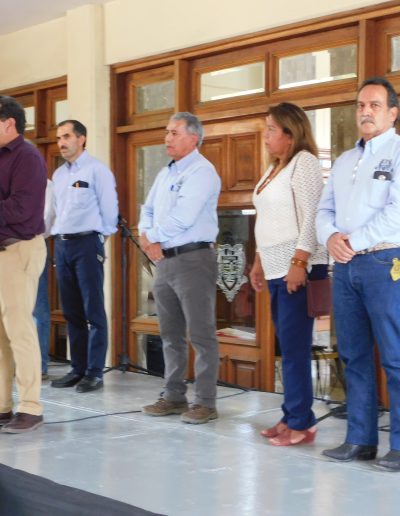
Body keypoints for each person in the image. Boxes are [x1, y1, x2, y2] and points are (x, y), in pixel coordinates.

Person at [316, 76, 400, 471]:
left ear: (393, 113)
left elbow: (397, 213)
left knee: (396, 358)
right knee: (354, 355)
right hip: (346, 267)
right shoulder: (345, 160)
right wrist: (331, 237)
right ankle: (360, 440)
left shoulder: (397, 152)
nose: (366, 112)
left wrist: (353, 241)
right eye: (361, 105)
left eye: (375, 105)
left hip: (385, 263)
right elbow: (324, 209)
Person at [250, 102, 327, 446]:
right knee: (287, 345)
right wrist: (257, 261)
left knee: (295, 348)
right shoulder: (274, 168)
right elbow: (267, 219)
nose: (265, 135)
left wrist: (299, 263)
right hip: (275, 266)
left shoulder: (304, 162)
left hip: (298, 267)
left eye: (271, 129)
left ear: (290, 133)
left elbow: (313, 216)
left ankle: (302, 423)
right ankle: (291, 414)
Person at [139, 112, 221, 424]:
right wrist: (146, 236)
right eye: (167, 132)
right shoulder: (166, 173)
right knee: (170, 334)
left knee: (201, 333)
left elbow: (183, 217)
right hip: (165, 260)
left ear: (193, 138)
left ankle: (205, 402)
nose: (167, 138)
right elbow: (147, 209)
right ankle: (174, 396)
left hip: (193, 259)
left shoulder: (202, 172)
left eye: (174, 133)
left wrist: (153, 238)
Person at [50, 120, 118, 393]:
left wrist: (101, 239)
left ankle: (94, 372)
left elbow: (110, 210)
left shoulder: (97, 170)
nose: (61, 143)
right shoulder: (58, 175)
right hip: (62, 245)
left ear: (82, 139)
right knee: (72, 311)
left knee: (93, 310)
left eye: (66, 136)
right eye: (59, 138)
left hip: (87, 244)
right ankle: (77, 369)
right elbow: (57, 211)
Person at [0, 95, 47, 433]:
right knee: (0, 335)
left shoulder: (27, 157)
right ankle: (3, 406)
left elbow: (22, 209)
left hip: (20, 250)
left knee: (19, 329)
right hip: (2, 250)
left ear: (8, 123)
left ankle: (31, 407)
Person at [33, 178, 55, 380]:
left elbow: (46, 219)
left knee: (38, 308)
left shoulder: (44, 183)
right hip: (5, 248)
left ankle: (38, 366)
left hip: (32, 245)